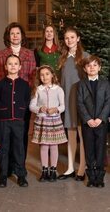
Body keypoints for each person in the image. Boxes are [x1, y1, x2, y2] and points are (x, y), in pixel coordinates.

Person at [0, 22, 36, 176]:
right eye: (12, 33)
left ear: (22, 36)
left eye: (18, 33)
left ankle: (20, 166)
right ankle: (7, 167)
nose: (15, 36)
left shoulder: (29, 53)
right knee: (6, 136)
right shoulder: (1, 54)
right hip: (6, 99)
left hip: (22, 99)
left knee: (21, 135)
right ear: (8, 36)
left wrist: (25, 98)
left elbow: (32, 77)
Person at [57, 27, 89, 181]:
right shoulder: (62, 59)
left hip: (81, 101)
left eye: (72, 37)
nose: (69, 40)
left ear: (78, 38)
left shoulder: (85, 57)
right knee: (71, 135)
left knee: (83, 135)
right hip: (67, 100)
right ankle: (70, 168)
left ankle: (82, 168)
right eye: (66, 38)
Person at [0, 54, 31, 188]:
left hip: (19, 121)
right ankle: (3, 176)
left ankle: (21, 175)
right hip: (3, 120)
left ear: (20, 67)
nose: (13, 66)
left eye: (15, 63)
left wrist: (22, 114)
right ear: (5, 67)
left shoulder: (25, 84)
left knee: (19, 148)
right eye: (10, 64)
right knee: (3, 149)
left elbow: (26, 101)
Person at [30, 65, 67, 182]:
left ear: (52, 75)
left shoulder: (58, 89)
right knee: (44, 145)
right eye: (42, 75)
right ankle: (44, 170)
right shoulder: (38, 90)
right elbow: (32, 106)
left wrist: (56, 109)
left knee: (54, 146)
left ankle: (53, 170)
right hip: (42, 121)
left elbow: (63, 106)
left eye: (47, 74)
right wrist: (40, 109)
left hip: (54, 121)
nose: (44, 77)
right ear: (39, 77)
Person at [77, 56, 110, 187]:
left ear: (99, 68)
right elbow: (80, 103)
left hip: (101, 123)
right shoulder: (81, 84)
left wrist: (100, 118)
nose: (92, 68)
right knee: (89, 149)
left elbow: (108, 102)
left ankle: (100, 177)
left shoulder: (106, 84)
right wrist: (88, 119)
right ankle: (91, 177)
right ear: (85, 69)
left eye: (95, 65)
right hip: (87, 123)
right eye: (89, 66)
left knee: (100, 150)